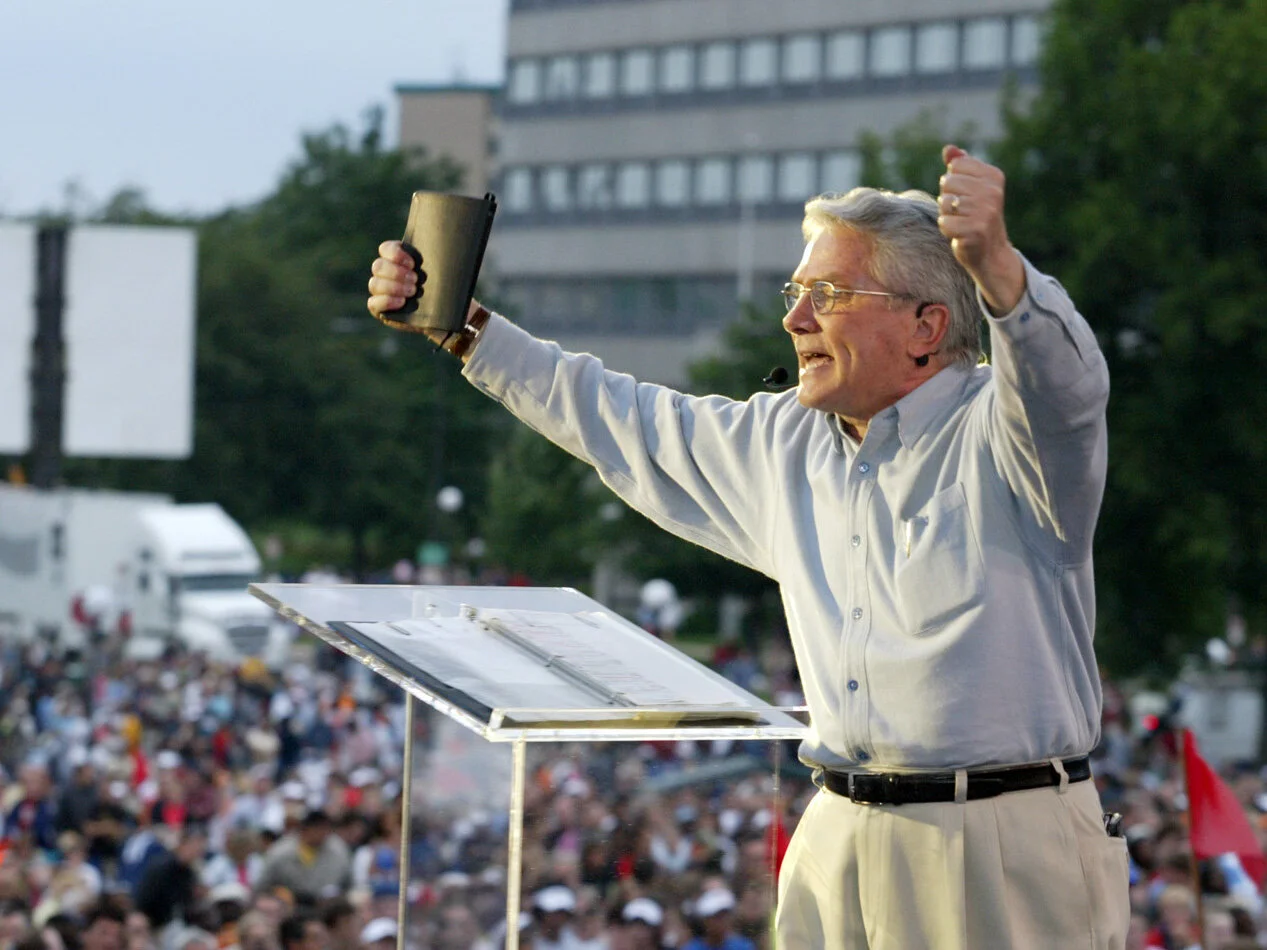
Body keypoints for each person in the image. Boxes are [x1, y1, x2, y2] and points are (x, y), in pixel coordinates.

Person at [366, 145, 1127, 947]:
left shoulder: (1010, 440)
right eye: (795, 294)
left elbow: (1065, 387)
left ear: (925, 327)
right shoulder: (784, 441)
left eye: (827, 296)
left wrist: (999, 268)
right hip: (835, 830)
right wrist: (465, 330)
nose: (794, 321)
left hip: (996, 844)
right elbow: (616, 416)